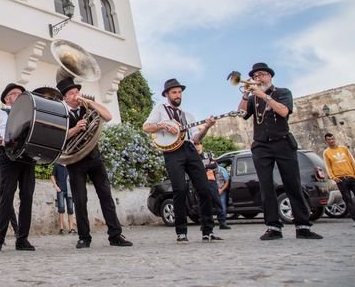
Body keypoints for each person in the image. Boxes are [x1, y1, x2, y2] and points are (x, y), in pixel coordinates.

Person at [238, 62, 322, 240]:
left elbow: (284, 112)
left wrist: (264, 96)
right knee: (266, 186)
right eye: (255, 76)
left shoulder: (283, 92)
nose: (258, 78)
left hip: (282, 142)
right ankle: (273, 227)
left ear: (270, 76)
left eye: (261, 74)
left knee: (292, 184)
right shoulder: (253, 99)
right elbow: (241, 114)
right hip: (261, 145)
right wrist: (245, 95)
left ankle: (303, 226)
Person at [144, 78, 221, 242]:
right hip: (172, 152)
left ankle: (207, 230)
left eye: (179, 92)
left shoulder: (188, 115)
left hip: (190, 149)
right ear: (167, 94)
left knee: (204, 188)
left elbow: (196, 138)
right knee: (179, 189)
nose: (178, 95)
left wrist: (207, 127)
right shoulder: (160, 109)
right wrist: (163, 126)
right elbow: (146, 127)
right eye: (174, 92)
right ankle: (181, 232)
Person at [59, 77, 133, 249]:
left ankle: (115, 235)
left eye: (77, 92)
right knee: (80, 200)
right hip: (75, 161)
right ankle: (84, 237)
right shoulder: (61, 114)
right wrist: (75, 129)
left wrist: (91, 103)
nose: (76, 96)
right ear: (65, 98)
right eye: (71, 93)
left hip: (94, 157)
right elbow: (58, 137)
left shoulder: (87, 108)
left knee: (106, 196)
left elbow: (108, 116)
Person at [0, 83, 36, 252]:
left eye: (21, 93)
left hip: (27, 158)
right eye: (14, 93)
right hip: (8, 158)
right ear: (7, 99)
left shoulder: (31, 113)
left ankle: (22, 239)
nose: (18, 95)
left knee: (27, 197)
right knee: (6, 196)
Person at [322, 133, 355, 227]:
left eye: (332, 139)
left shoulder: (343, 149)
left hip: (352, 177)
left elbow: (352, 160)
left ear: (335, 139)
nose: (331, 141)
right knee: (348, 200)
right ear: (326, 141)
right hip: (341, 180)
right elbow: (328, 166)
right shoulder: (326, 152)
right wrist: (334, 178)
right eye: (329, 139)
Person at [196, 145, 229, 230]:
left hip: (211, 180)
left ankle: (222, 222)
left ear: (201, 145)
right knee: (202, 203)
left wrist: (204, 166)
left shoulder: (208, 155)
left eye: (198, 144)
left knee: (217, 201)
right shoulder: (193, 156)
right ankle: (204, 224)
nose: (197, 147)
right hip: (200, 181)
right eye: (195, 145)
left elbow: (214, 165)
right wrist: (206, 166)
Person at [51, 162, 76, 234]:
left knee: (70, 209)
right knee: (61, 209)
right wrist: (56, 186)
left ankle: (71, 228)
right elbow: (52, 176)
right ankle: (61, 229)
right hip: (60, 190)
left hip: (70, 191)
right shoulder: (57, 165)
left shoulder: (70, 165)